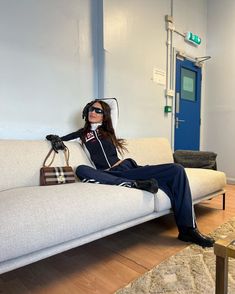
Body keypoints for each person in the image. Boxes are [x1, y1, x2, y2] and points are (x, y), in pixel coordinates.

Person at [46, 99, 215, 248]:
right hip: (108, 174)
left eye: (98, 110)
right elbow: (62, 140)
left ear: (104, 116)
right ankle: (134, 185)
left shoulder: (109, 131)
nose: (93, 112)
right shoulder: (82, 134)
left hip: (127, 168)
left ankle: (188, 230)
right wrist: (54, 138)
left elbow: (113, 104)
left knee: (176, 170)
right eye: (91, 109)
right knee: (81, 169)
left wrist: (98, 104)